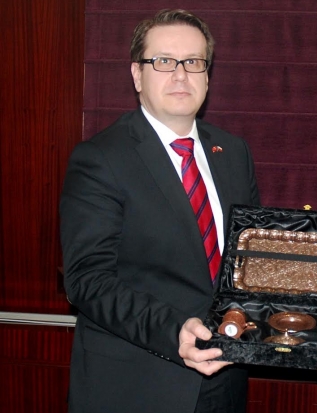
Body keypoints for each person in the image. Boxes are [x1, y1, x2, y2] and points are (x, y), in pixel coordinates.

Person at [60, 9, 259, 413]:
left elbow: (251, 260)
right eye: (164, 61)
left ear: (207, 76)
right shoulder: (100, 158)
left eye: (194, 62)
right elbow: (87, 281)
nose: (181, 75)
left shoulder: (234, 153)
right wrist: (173, 332)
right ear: (137, 74)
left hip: (226, 380)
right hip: (138, 384)